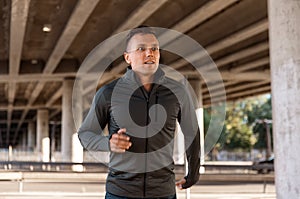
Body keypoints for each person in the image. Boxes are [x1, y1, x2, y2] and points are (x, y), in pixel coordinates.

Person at [78, 26, 200, 199]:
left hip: (163, 192)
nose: (149, 53)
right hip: (120, 192)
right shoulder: (108, 93)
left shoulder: (178, 92)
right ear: (128, 57)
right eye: (141, 49)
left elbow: (192, 133)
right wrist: (108, 144)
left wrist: (193, 172)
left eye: (154, 49)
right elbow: (85, 134)